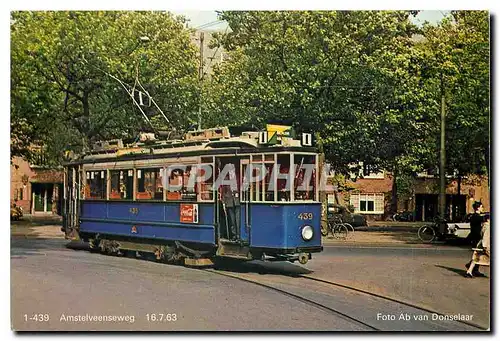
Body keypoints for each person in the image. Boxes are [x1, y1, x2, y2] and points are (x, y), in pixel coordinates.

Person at [465, 214, 490, 278]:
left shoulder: (484, 226)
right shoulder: (488, 227)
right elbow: (485, 237)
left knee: (476, 258)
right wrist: (485, 247)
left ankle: (469, 271)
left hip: (481, 244)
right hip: (485, 245)